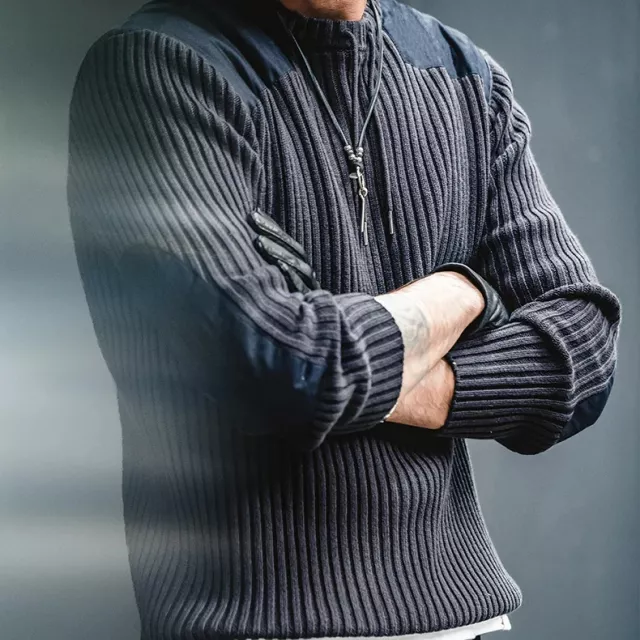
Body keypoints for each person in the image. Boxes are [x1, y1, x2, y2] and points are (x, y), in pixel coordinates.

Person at [66, 0, 621, 638]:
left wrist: (338, 360)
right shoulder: (159, 66)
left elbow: (583, 355)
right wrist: (465, 291)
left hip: (462, 622)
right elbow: (275, 369)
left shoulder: (465, 75)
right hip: (254, 623)